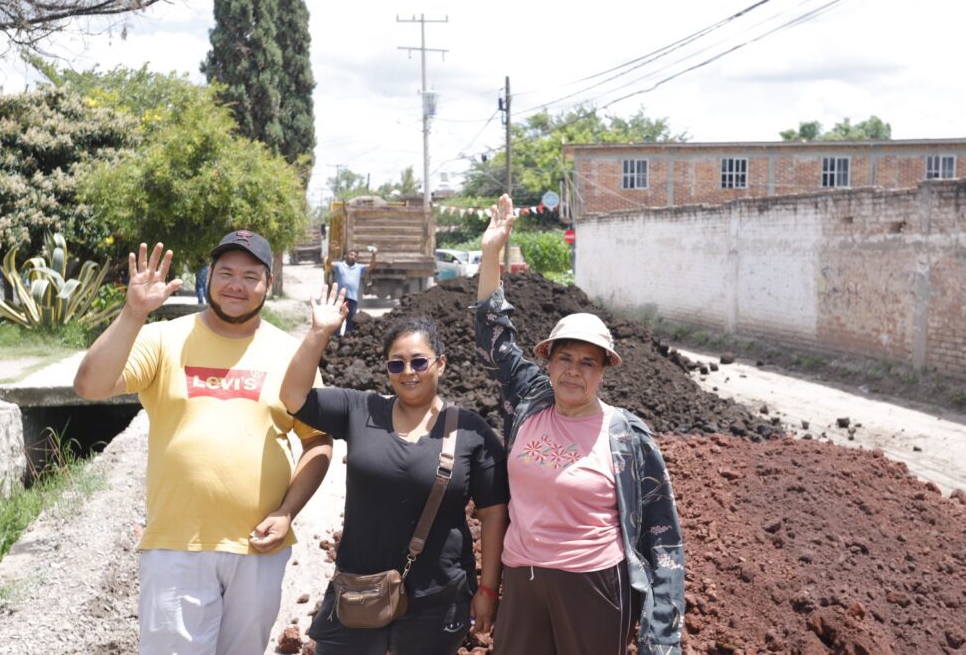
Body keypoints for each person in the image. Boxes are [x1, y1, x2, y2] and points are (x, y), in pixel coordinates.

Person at [73, 230, 333, 655]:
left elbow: (318, 444)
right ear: (208, 276)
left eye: (251, 276)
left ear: (269, 284)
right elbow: (89, 385)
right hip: (177, 545)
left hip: (258, 548)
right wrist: (133, 313)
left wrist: (288, 512)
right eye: (226, 272)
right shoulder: (164, 339)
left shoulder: (291, 353)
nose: (236, 284)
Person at [473, 195, 685, 655]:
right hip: (523, 580)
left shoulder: (626, 435)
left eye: (587, 362)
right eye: (564, 358)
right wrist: (492, 253)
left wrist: (661, 634)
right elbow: (495, 338)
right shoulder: (529, 404)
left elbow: (662, 535)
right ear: (547, 363)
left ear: (604, 370)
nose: (574, 371)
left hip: (594, 586)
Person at [279, 285, 508, 655]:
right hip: (357, 591)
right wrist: (320, 332)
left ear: (441, 364)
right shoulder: (361, 410)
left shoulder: (471, 432)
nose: (408, 372)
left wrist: (487, 590)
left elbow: (495, 513)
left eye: (419, 361)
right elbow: (292, 397)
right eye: (396, 364)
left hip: (438, 599)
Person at [330, 247, 377, 336]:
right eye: (351, 254)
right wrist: (331, 253)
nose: (353, 257)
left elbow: (371, 266)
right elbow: (329, 264)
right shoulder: (339, 265)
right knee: (338, 320)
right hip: (340, 299)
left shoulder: (359, 267)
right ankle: (336, 339)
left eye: (355, 256)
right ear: (346, 256)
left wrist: (374, 255)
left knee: (350, 322)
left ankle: (347, 340)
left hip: (352, 299)